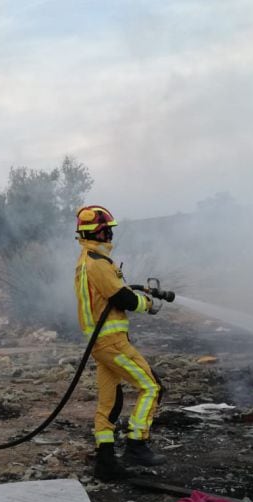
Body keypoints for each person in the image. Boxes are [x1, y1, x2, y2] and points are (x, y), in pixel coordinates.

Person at [74, 204, 165, 481]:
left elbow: (115, 293)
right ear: (98, 233)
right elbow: (121, 298)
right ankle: (137, 444)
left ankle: (106, 462)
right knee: (152, 387)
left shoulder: (87, 261)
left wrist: (134, 290)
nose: (111, 235)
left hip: (101, 345)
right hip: (112, 343)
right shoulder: (98, 264)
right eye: (108, 231)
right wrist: (147, 304)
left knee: (109, 403)